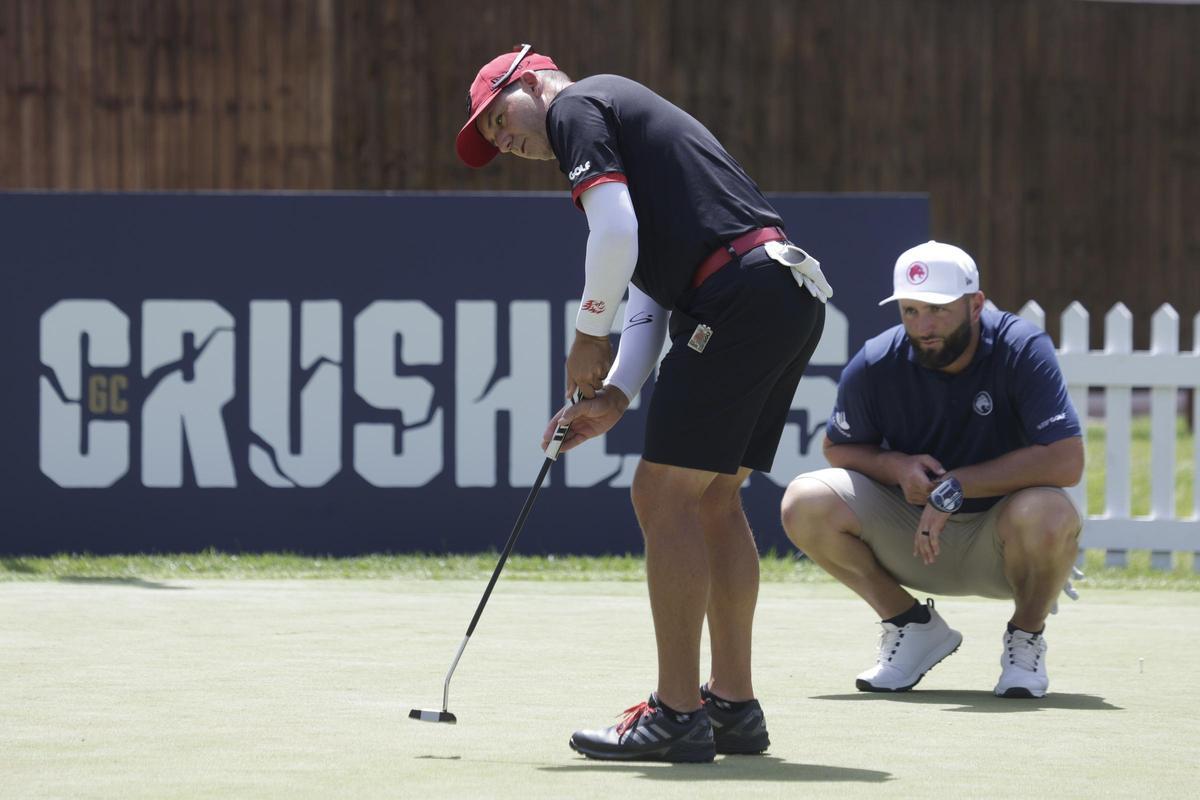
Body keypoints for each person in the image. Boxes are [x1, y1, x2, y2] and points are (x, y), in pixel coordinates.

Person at [456, 45, 829, 761]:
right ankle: (732, 707)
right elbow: (654, 289)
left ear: (529, 82)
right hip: (781, 294)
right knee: (713, 500)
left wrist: (586, 334)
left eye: (499, 118)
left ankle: (678, 714)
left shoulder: (575, 106)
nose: (504, 141)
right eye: (495, 140)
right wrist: (619, 391)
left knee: (662, 495)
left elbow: (616, 235)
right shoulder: (621, 127)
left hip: (739, 294)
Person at [781, 240, 1084, 699]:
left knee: (1051, 513)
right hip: (914, 537)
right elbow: (837, 449)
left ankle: (1026, 636)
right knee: (805, 500)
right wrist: (893, 465)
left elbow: (1067, 459)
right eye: (911, 311)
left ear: (976, 304)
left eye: (938, 310)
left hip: (1003, 544)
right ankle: (910, 624)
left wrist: (958, 485)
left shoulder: (1022, 348)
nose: (923, 326)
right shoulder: (877, 360)